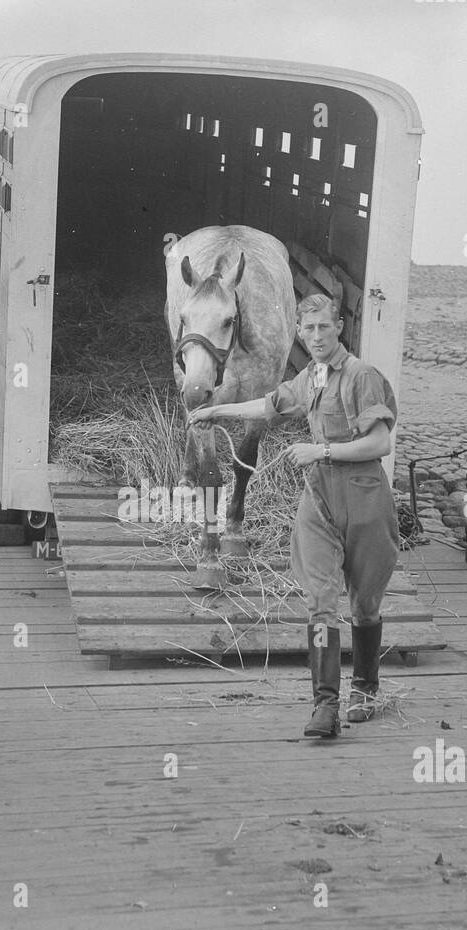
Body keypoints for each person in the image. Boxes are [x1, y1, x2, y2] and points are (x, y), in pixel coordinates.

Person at [189, 294, 399, 738]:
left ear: (339, 327)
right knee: (320, 603)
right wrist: (215, 410)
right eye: (309, 329)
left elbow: (380, 443)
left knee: (364, 605)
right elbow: (269, 404)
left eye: (325, 327)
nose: (317, 337)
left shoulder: (363, 376)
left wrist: (320, 449)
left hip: (363, 495)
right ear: (300, 332)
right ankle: (325, 705)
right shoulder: (313, 375)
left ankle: (365, 687)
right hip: (319, 497)